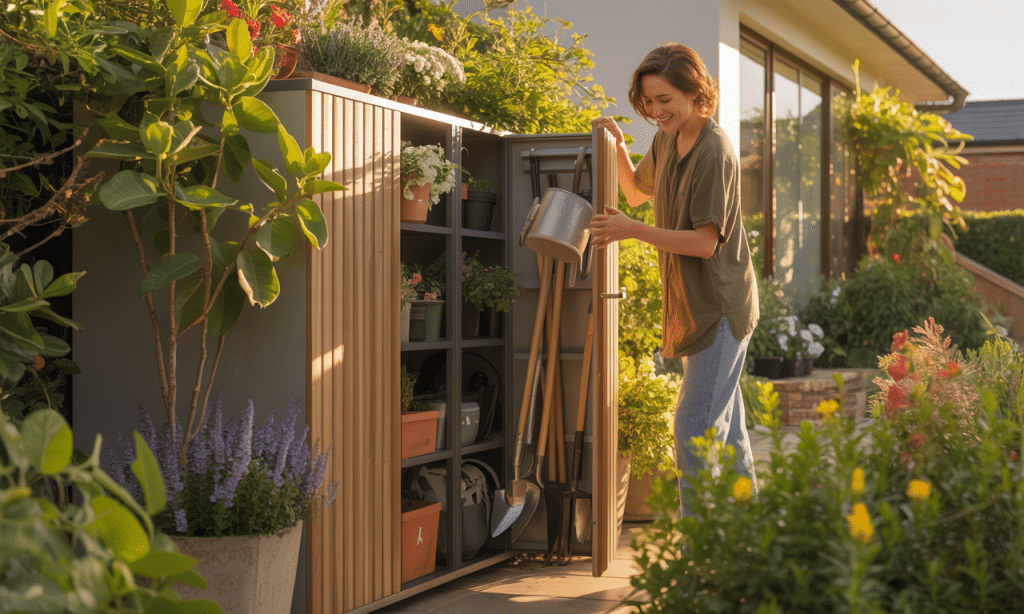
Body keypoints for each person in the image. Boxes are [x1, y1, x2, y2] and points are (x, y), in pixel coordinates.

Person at [589, 43, 760, 513]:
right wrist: (620, 149)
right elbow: (638, 191)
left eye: (666, 100)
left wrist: (631, 232)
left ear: (694, 91)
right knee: (727, 438)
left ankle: (699, 558)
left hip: (720, 307)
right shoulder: (668, 138)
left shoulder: (714, 151)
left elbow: (706, 243)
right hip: (693, 305)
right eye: (648, 101)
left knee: (694, 429)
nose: (655, 110)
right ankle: (750, 545)